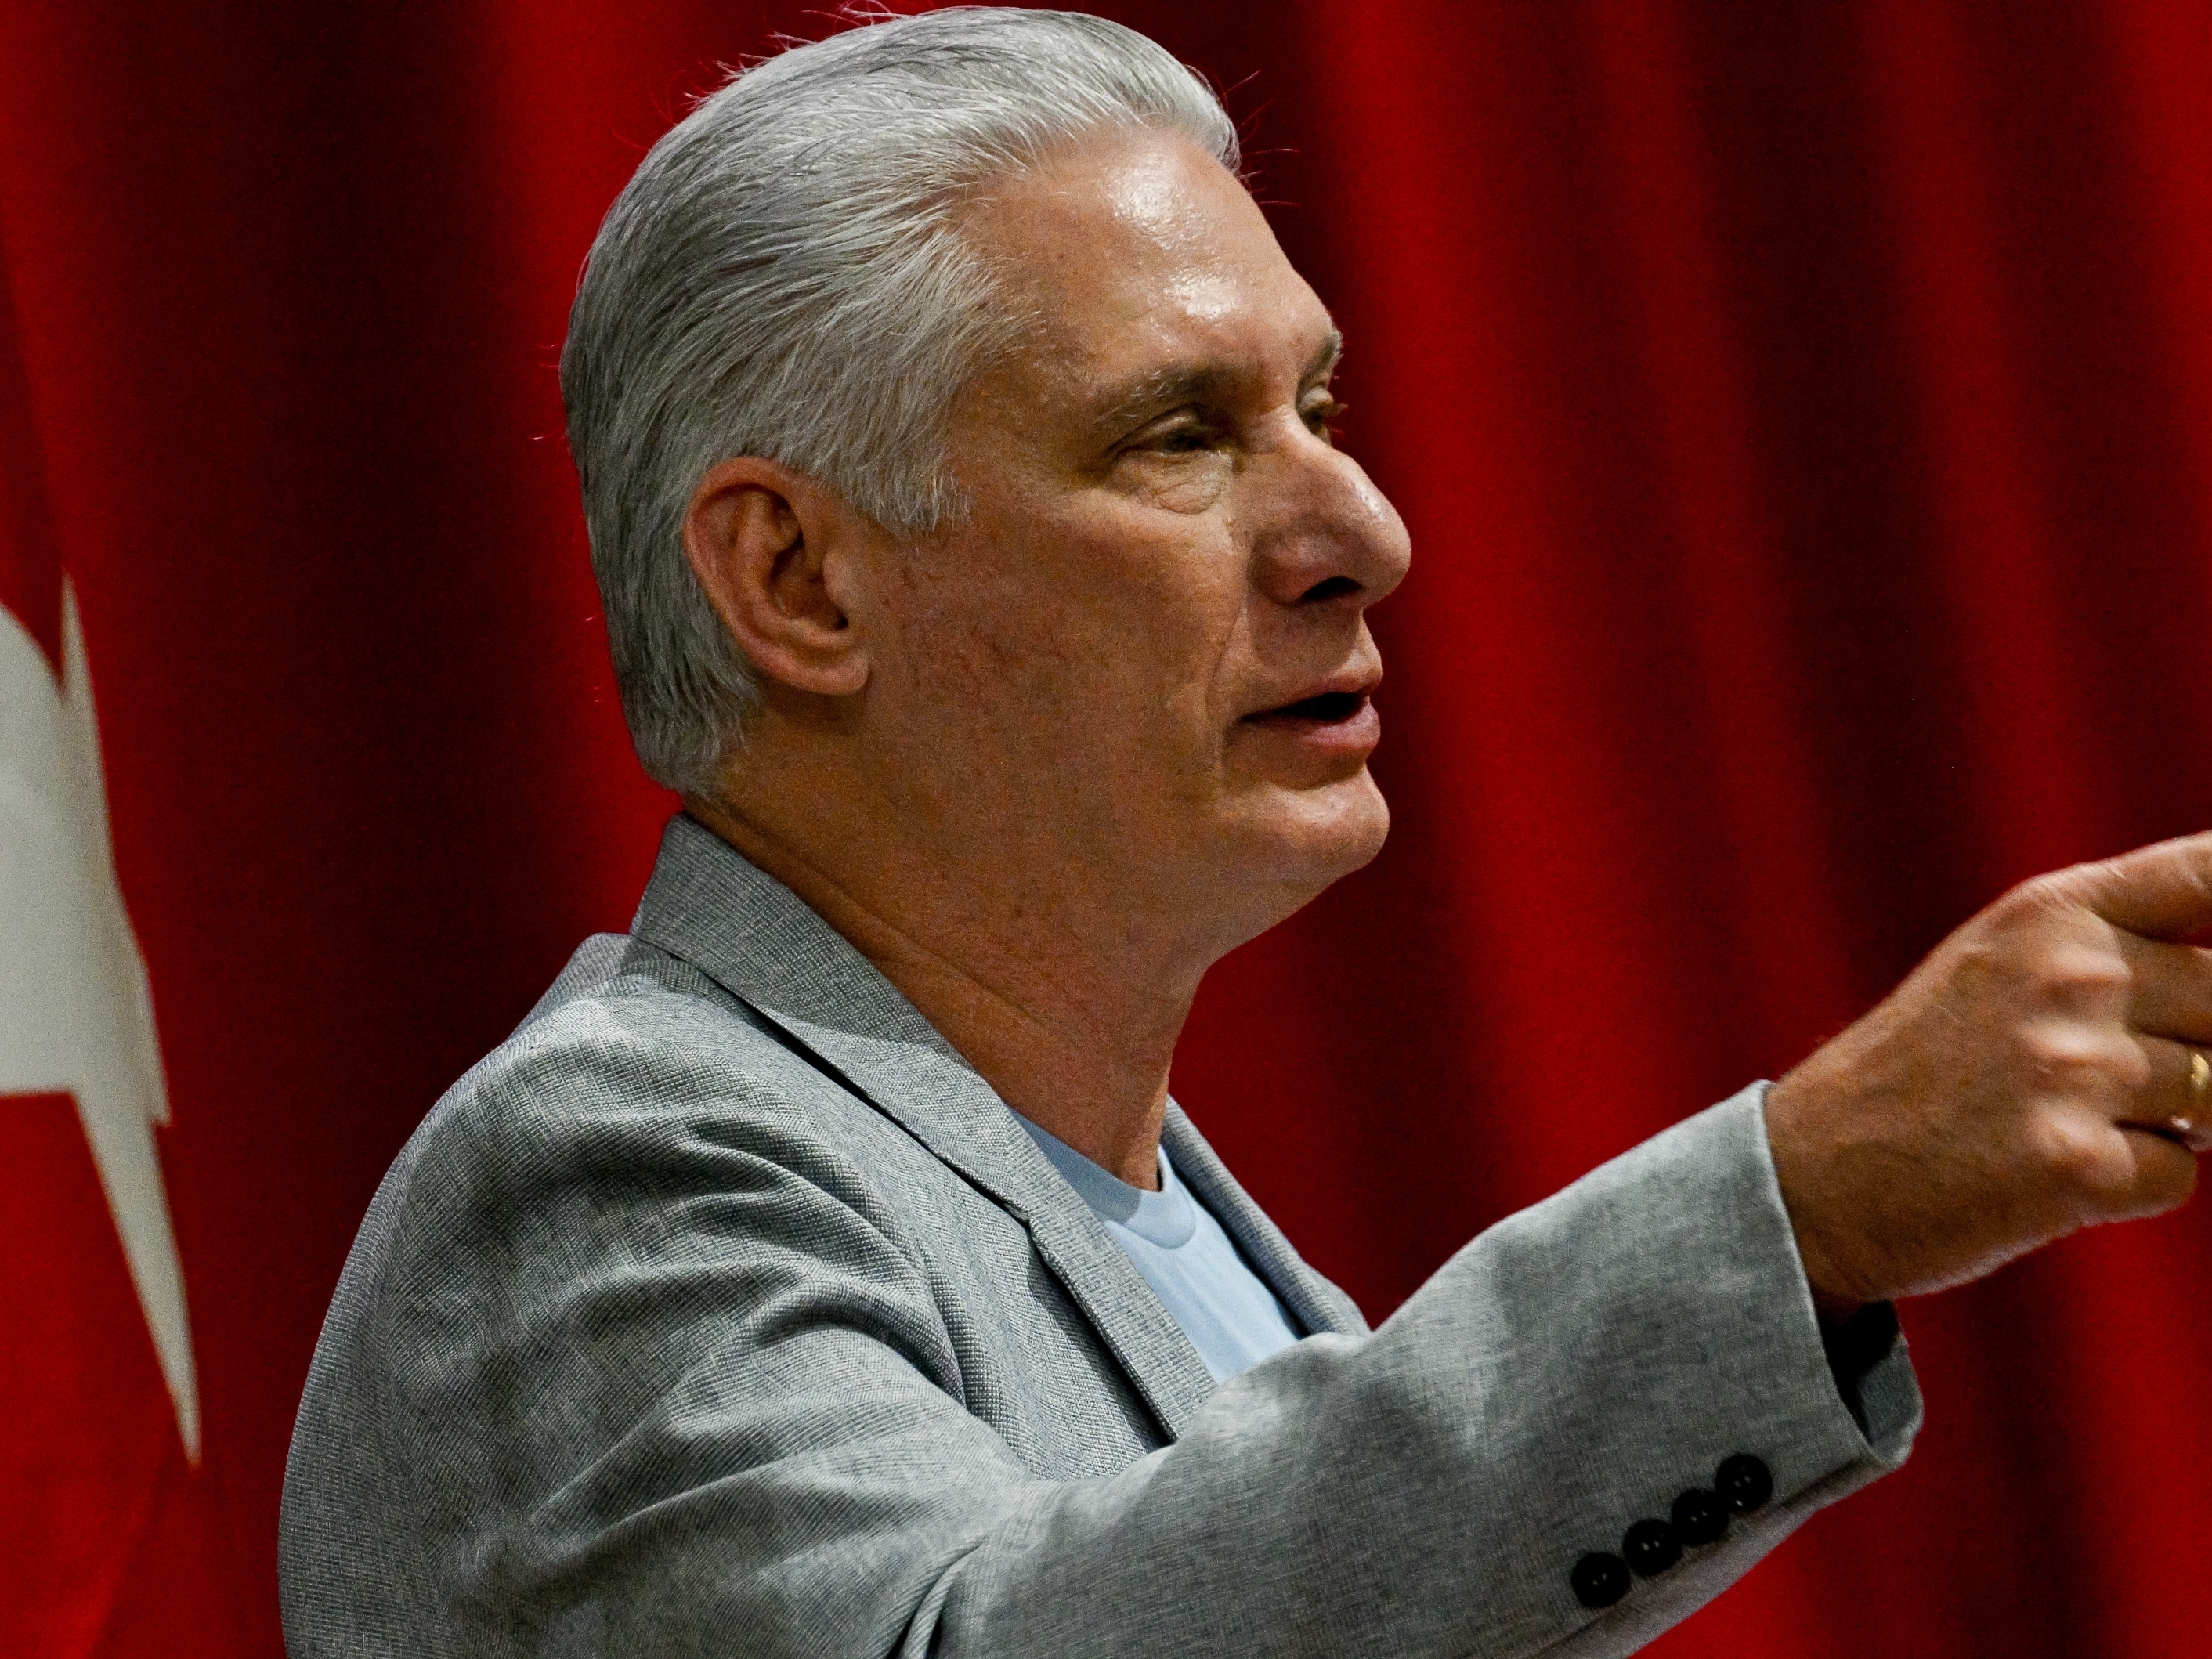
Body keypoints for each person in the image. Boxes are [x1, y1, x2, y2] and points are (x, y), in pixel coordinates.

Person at [278, 9, 2212, 1655]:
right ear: (796, 580)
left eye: (1316, 401)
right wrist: (1792, 1212)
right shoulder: (609, 1172)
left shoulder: (1166, 1220)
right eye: (1177, 436)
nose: (1362, 528)